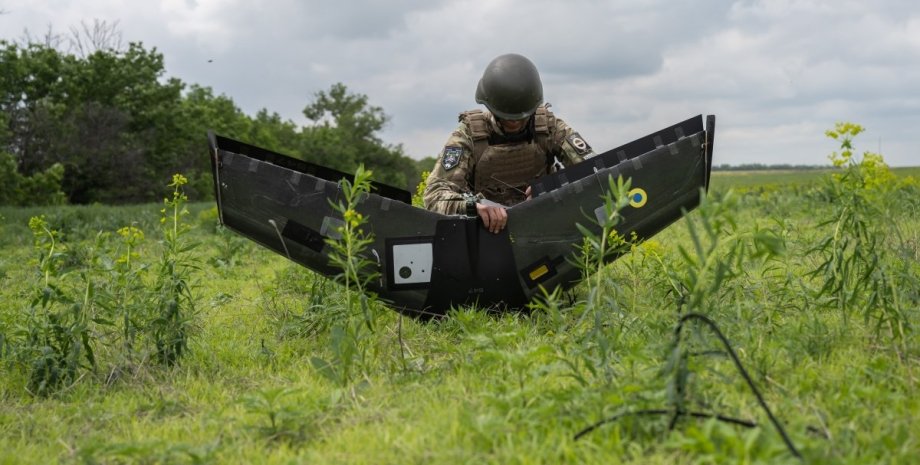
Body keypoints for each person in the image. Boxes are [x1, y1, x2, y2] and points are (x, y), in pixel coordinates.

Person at [423, 53, 595, 233]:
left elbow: (595, 170)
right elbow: (434, 196)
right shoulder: (469, 135)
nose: (515, 123)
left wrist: (552, 187)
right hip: (488, 234)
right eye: (507, 118)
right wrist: (475, 206)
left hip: (545, 226)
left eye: (522, 118)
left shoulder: (548, 127)